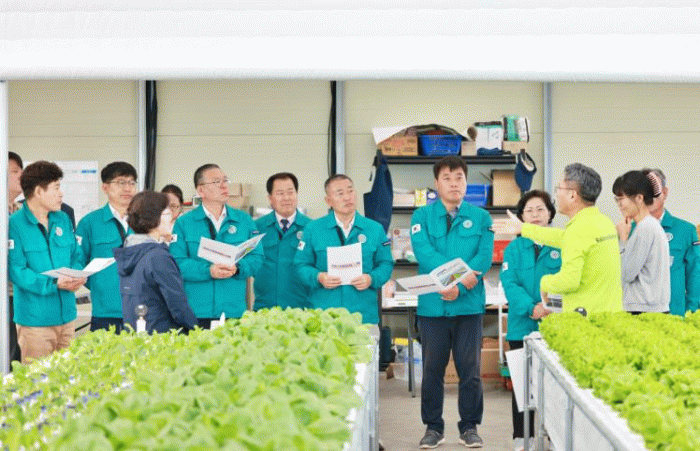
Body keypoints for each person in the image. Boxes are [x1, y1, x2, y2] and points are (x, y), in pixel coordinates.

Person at [409, 156, 494, 449]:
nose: (454, 183)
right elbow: (424, 254)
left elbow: (484, 257)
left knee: (470, 371)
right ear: (436, 183)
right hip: (433, 307)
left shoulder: (481, 217)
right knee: (432, 370)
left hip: (468, 306)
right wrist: (456, 279)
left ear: (466, 182)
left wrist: (458, 288)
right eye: (447, 178)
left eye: (459, 177)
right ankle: (433, 428)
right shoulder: (421, 216)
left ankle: (469, 427)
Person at [493, 162, 623, 314]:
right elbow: (564, 237)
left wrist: (544, 283)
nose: (556, 195)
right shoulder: (604, 222)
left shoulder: (578, 230)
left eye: (559, 189)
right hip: (609, 316)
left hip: (586, 319)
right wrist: (524, 228)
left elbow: (569, 281)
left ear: (572, 195)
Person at [500, 190, 561, 451]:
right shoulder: (514, 248)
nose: (535, 215)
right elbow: (510, 283)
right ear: (522, 217)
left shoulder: (562, 244)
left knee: (556, 388)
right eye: (529, 210)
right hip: (521, 325)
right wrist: (531, 308)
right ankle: (521, 437)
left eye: (540, 209)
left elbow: (569, 280)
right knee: (522, 387)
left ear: (550, 214)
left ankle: (554, 438)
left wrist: (548, 308)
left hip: (555, 326)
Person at [8, 161, 86, 363]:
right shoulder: (14, 224)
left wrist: (77, 275)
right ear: (38, 191)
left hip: (67, 317)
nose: (61, 194)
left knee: (68, 376)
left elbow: (76, 255)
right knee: (37, 378)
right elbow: (16, 270)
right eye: (56, 188)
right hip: (35, 322)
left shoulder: (63, 219)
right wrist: (53, 284)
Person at [170, 164, 263, 328]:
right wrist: (208, 270)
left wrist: (238, 268)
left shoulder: (244, 221)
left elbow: (257, 258)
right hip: (197, 312)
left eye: (225, 180)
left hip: (233, 312)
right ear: (201, 190)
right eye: (216, 182)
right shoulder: (184, 223)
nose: (224, 186)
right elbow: (176, 263)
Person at [294, 174, 393, 325]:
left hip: (363, 314)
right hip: (324, 315)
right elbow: (300, 265)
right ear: (328, 200)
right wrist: (318, 277)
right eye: (340, 193)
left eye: (350, 191)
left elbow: (386, 263)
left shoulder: (374, 229)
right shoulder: (313, 229)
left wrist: (371, 279)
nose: (347, 197)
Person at [114, 191, 196, 334]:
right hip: (163, 337)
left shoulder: (130, 250)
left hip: (137, 335)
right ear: (153, 218)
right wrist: (196, 329)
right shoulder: (158, 257)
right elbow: (177, 305)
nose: (173, 218)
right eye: (168, 213)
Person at [76, 162, 138, 332]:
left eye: (132, 183)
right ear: (105, 187)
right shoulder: (90, 223)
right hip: (105, 311)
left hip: (142, 309)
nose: (127, 188)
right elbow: (79, 262)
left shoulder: (146, 220)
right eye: (120, 182)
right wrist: (100, 284)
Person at [640, 168, 700, 316]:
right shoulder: (629, 231)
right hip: (637, 316)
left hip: (674, 315)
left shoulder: (686, 231)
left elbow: (695, 275)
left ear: (665, 193)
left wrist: (692, 312)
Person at [613, 170, 670, 313]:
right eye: (617, 200)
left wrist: (623, 240)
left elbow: (627, 274)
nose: (619, 205)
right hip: (649, 309)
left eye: (621, 199)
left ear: (639, 197)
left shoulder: (645, 229)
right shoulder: (649, 226)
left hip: (642, 310)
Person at [253, 172, 311, 310]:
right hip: (265, 306)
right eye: (280, 193)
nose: (286, 198)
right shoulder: (257, 227)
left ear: (296, 194)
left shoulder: (312, 228)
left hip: (302, 307)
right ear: (270, 198)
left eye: (291, 192)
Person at [7, 152, 24, 366]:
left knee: (17, 355)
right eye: (15, 171)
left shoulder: (19, 211)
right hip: (4, 296)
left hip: (19, 293)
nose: (21, 175)